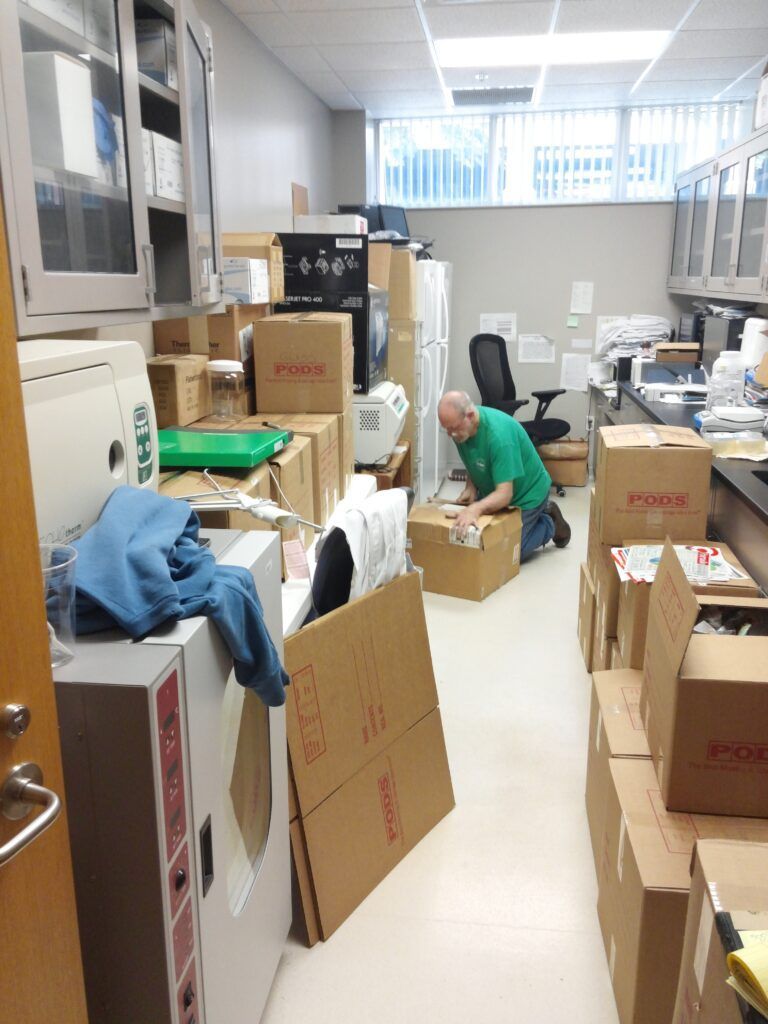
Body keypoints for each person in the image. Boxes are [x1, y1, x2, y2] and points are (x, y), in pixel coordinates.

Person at [437, 391, 570, 560]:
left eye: (453, 429)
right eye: (446, 429)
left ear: (470, 415)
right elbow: (472, 457)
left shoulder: (499, 437)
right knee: (476, 543)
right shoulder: (461, 428)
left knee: (509, 553)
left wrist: (476, 508)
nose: (451, 435)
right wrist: (470, 487)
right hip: (495, 490)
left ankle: (548, 521)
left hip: (526, 495)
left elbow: (505, 495)